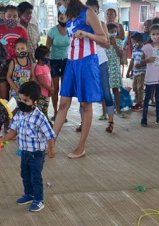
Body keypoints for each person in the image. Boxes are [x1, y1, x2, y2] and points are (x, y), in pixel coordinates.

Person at [52, 0, 108, 158]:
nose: (59, 4)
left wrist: (87, 34)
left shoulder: (88, 13)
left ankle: (81, 147)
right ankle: (51, 142)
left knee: (85, 104)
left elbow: (104, 39)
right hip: (71, 62)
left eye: (60, 1)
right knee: (63, 104)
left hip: (87, 61)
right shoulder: (69, 15)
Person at [1, 81, 55, 212]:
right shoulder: (19, 114)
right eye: (20, 99)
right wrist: (1, 140)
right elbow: (13, 131)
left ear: (34, 102)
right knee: (25, 174)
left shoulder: (39, 117)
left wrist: (51, 149)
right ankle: (29, 195)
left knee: (35, 177)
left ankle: (39, 200)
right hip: (24, 152)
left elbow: (50, 135)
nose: (21, 102)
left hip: (37, 154)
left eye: (25, 100)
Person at [86, 0, 115, 133]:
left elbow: (107, 44)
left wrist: (94, 37)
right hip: (87, 63)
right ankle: (83, 122)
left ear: (97, 11)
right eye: (89, 11)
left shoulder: (102, 24)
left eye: (95, 11)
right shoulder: (83, 25)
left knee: (106, 92)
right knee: (85, 94)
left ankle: (111, 122)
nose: (93, 13)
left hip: (101, 62)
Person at [0, 5, 29, 100]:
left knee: (17, 93)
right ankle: (4, 112)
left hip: (17, 64)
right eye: (9, 16)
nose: (12, 18)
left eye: (14, 16)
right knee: (3, 96)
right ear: (4, 16)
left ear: (18, 17)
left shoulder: (22, 31)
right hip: (2, 64)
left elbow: (25, 48)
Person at [140, 25, 159, 127]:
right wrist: (147, 60)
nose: (156, 36)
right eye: (153, 34)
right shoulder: (147, 47)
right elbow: (139, 62)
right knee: (147, 97)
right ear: (150, 35)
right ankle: (144, 118)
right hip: (150, 76)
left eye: (158, 34)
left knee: (158, 98)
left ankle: (158, 118)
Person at [46, 11, 69, 121]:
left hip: (67, 61)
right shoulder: (52, 31)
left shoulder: (71, 29)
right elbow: (47, 48)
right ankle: (55, 112)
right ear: (58, 17)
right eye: (61, 16)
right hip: (54, 61)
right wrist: (47, 64)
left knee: (65, 89)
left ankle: (63, 113)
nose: (63, 17)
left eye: (65, 15)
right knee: (55, 88)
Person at [106, 23, 125, 118]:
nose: (113, 33)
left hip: (115, 68)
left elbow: (121, 54)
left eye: (115, 31)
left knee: (115, 89)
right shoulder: (103, 41)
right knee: (105, 90)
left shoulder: (119, 41)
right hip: (105, 67)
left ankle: (118, 109)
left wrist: (114, 44)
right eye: (111, 32)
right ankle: (106, 110)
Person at [126, 32, 146, 112]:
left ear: (139, 40)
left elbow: (147, 60)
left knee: (140, 88)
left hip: (142, 72)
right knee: (135, 88)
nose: (133, 43)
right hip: (135, 72)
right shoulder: (134, 48)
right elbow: (132, 60)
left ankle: (140, 103)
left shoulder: (144, 49)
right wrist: (128, 71)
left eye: (134, 41)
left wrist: (140, 64)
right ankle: (137, 101)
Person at [34, 45, 53, 125]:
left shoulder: (46, 66)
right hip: (42, 93)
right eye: (47, 55)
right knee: (40, 109)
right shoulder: (38, 67)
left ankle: (45, 122)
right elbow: (41, 81)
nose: (48, 57)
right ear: (41, 56)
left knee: (45, 108)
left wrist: (52, 87)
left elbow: (50, 77)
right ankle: (39, 123)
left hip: (47, 93)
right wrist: (50, 88)